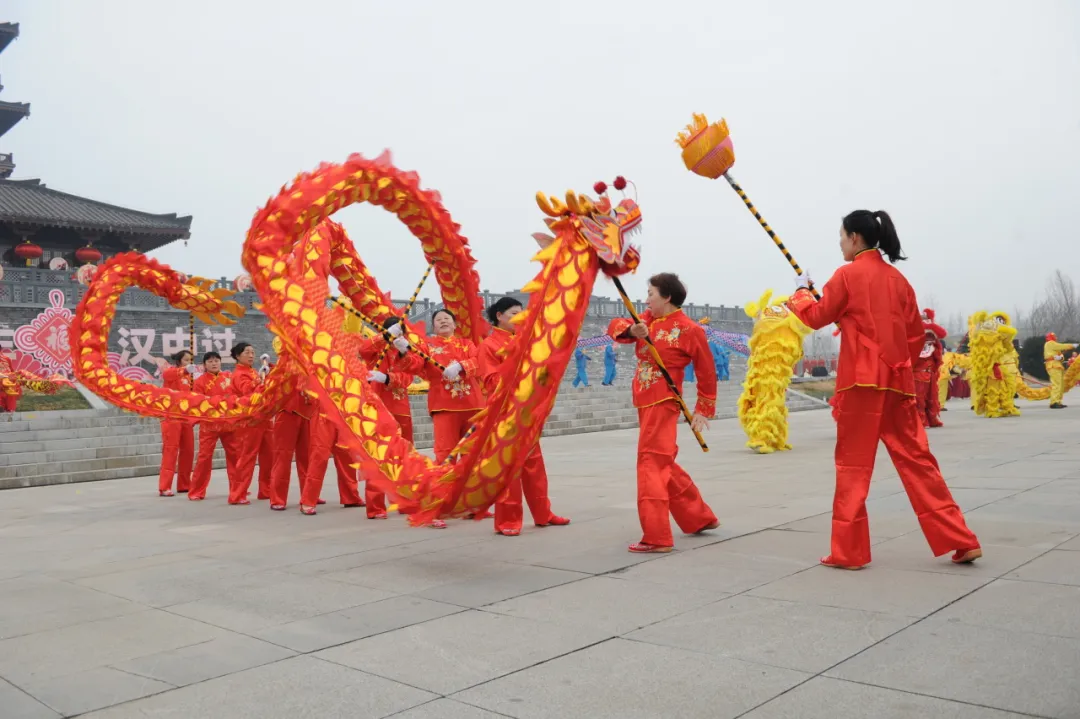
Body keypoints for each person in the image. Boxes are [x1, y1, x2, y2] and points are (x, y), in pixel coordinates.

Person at [785, 209, 981, 569]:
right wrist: (895, 368)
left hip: (861, 383)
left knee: (853, 466)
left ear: (855, 238)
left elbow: (816, 316)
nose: (841, 243)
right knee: (919, 461)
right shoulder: (899, 281)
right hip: (898, 383)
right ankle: (961, 538)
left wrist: (800, 293)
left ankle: (849, 551)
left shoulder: (846, 275)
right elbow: (911, 338)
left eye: (842, 237)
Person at [607, 273, 719, 553]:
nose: (646, 299)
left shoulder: (689, 329)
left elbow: (706, 371)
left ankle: (657, 536)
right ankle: (698, 517)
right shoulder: (647, 320)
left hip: (663, 400)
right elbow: (615, 326)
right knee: (662, 460)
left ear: (667, 297)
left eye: (651, 294)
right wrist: (633, 331)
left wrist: (702, 409)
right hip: (643, 398)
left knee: (651, 464)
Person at [478, 297, 569, 536]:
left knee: (534, 465)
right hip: (504, 413)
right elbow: (490, 381)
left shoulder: (527, 341)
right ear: (499, 315)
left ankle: (543, 513)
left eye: (522, 313)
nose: (520, 318)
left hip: (527, 411)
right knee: (508, 467)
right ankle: (507, 520)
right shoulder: (488, 345)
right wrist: (516, 372)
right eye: (514, 313)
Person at [356, 316, 423, 519]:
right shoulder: (376, 349)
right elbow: (363, 350)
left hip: (400, 408)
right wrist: (385, 337)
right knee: (377, 457)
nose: (398, 335)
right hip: (377, 408)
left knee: (404, 457)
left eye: (401, 331)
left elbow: (411, 374)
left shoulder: (405, 351)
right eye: (395, 331)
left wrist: (389, 375)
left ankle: (404, 501)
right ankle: (375, 507)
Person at [188, 352, 243, 501]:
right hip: (209, 425)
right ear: (205, 365)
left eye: (216, 361)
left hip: (229, 423)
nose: (214, 363)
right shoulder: (200, 382)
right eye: (210, 361)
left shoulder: (228, 378)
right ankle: (197, 491)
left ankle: (238, 489)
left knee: (235, 456)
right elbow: (198, 402)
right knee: (204, 458)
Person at [229, 342, 274, 505]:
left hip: (263, 418)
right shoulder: (239, 374)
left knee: (269, 456)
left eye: (253, 352)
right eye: (247, 352)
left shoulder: (254, 371)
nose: (251, 355)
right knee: (247, 457)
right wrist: (259, 382)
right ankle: (237, 494)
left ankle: (266, 490)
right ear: (238, 356)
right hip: (249, 421)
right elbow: (247, 391)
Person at [268, 379, 320, 511]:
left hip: (307, 412)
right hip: (287, 412)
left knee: (307, 457)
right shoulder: (286, 363)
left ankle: (309, 494)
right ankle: (278, 498)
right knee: (282, 456)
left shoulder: (311, 363)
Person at [157, 350, 196, 496]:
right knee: (171, 450)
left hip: (186, 418)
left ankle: (184, 484)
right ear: (179, 361)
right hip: (171, 417)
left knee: (188, 451)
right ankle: (164, 486)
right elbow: (168, 375)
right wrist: (185, 370)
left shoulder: (190, 378)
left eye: (190, 360)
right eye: (186, 360)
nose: (189, 363)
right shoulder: (171, 373)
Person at [913, 310, 947, 428]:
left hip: (930, 370)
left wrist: (930, 325)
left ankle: (931, 418)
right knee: (919, 397)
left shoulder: (932, 340)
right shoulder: (912, 329)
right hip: (918, 370)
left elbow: (942, 334)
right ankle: (921, 420)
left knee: (932, 397)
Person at [1044, 332, 1078, 409]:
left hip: (1057, 365)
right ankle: (1054, 402)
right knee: (1056, 384)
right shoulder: (1050, 343)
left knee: (1060, 384)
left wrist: (1060, 358)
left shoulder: (1054, 346)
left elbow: (1061, 355)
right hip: (1053, 366)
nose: (1056, 337)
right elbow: (1061, 346)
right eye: (1054, 336)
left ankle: (1058, 401)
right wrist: (1071, 345)